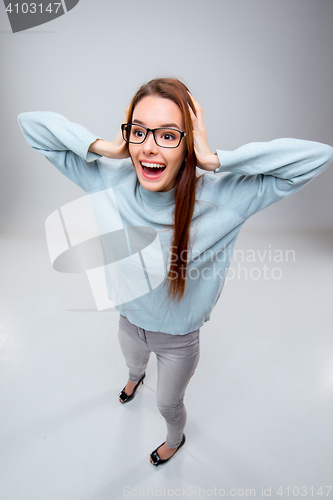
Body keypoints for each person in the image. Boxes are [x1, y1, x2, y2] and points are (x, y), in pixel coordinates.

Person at [18, 78, 333, 466]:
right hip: (129, 320)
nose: (149, 146)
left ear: (188, 143)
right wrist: (108, 147)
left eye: (168, 135)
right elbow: (30, 124)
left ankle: (175, 440)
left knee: (169, 404)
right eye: (139, 132)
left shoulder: (222, 199)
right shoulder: (108, 179)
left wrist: (215, 158)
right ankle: (134, 379)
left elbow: (317, 156)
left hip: (178, 341)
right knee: (132, 364)